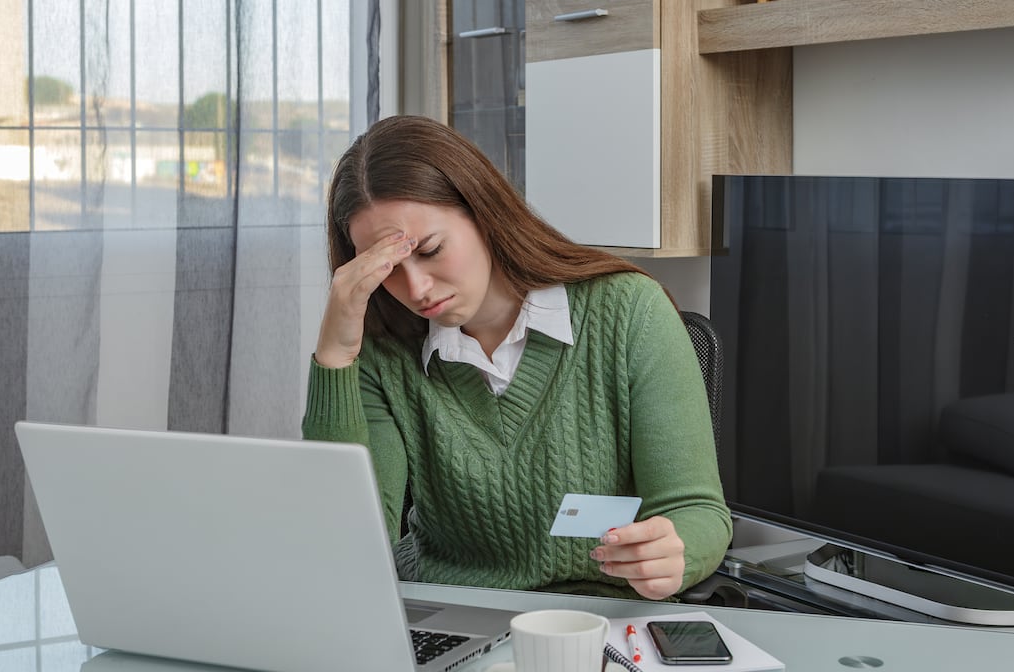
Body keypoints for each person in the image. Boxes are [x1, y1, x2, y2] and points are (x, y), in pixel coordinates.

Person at [302, 115, 731, 601]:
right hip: (445, 614)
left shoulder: (629, 312)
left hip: (593, 625)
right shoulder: (380, 352)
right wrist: (335, 354)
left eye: (431, 250)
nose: (416, 289)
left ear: (483, 213)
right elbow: (345, 548)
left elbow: (697, 512)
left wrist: (674, 554)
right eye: (385, 271)